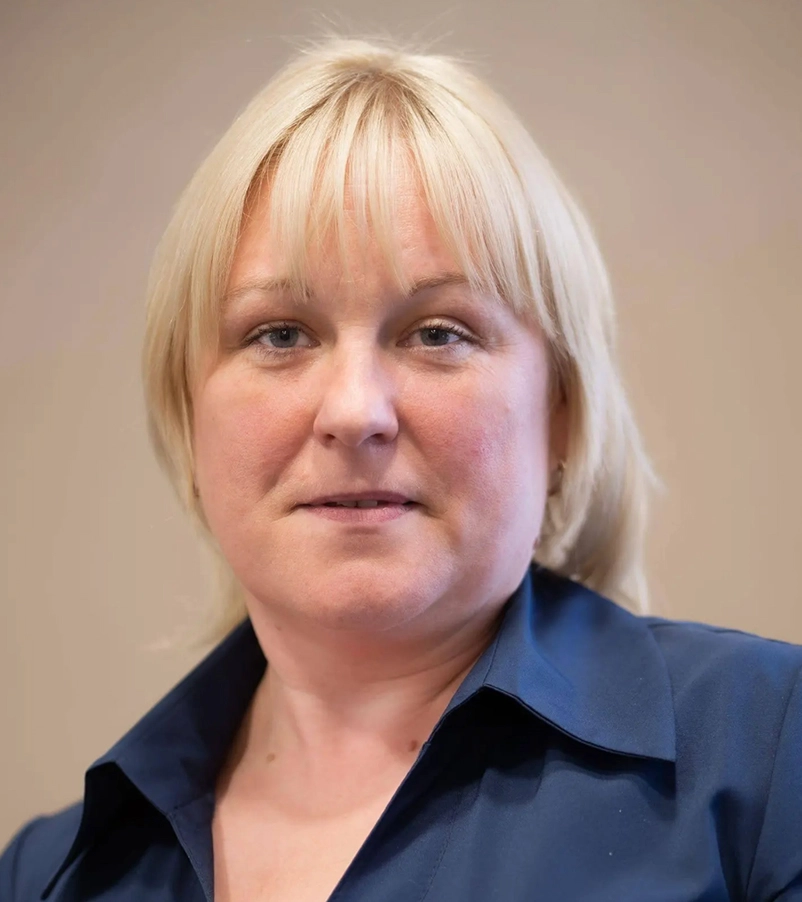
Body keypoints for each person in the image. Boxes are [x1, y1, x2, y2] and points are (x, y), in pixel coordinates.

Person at [2, 35, 801, 902]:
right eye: (279, 334)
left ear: (563, 415)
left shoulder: (771, 754)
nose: (354, 412)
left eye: (438, 333)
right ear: (188, 416)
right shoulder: (49, 876)